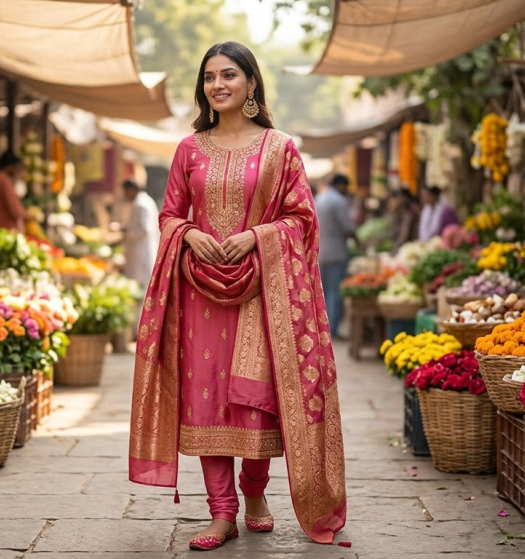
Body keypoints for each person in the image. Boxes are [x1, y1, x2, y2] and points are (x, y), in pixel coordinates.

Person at [128, 42, 347, 552]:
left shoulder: (280, 147)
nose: (218, 85)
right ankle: (221, 512)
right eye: (209, 77)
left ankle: (255, 494)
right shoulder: (189, 148)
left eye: (229, 75)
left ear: (251, 83)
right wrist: (186, 233)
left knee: (257, 400)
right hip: (200, 292)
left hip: (262, 291)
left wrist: (257, 236)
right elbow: (167, 214)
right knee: (206, 395)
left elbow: (302, 220)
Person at [315, 173, 356, 339]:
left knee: (323, 292)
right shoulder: (338, 201)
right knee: (334, 292)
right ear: (341, 185)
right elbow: (347, 227)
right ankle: (332, 330)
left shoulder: (320, 198)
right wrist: (356, 237)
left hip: (320, 251)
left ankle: (322, 329)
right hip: (336, 252)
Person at [120, 180, 160, 287]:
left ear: (131, 190)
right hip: (143, 249)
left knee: (140, 285)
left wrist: (125, 235)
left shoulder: (140, 205)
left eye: (125, 192)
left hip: (140, 251)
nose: (125, 195)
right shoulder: (145, 201)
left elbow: (143, 229)